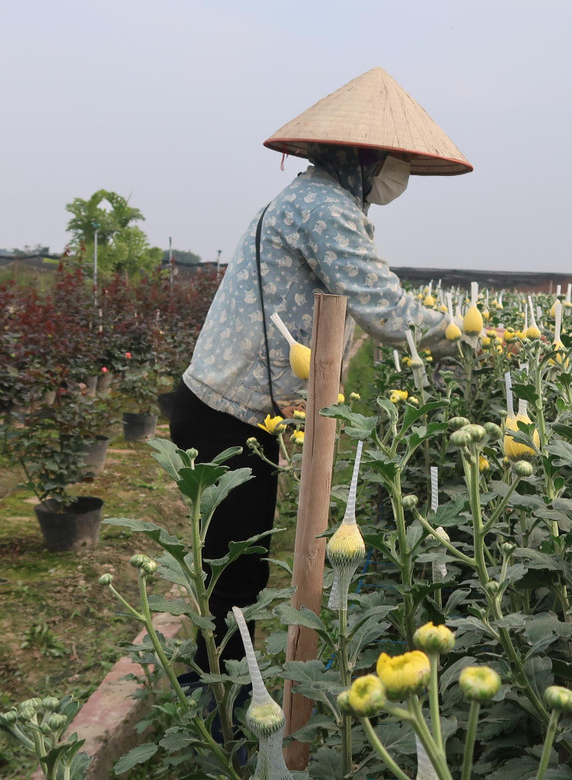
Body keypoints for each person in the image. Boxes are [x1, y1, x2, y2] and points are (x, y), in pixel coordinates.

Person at [166, 67, 473, 672]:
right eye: (389, 159)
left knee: (237, 565)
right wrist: (460, 333)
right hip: (224, 415)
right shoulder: (323, 208)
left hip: (230, 410)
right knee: (234, 577)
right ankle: (218, 702)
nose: (396, 174)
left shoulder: (318, 200)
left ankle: (223, 686)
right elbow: (384, 310)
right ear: (361, 155)